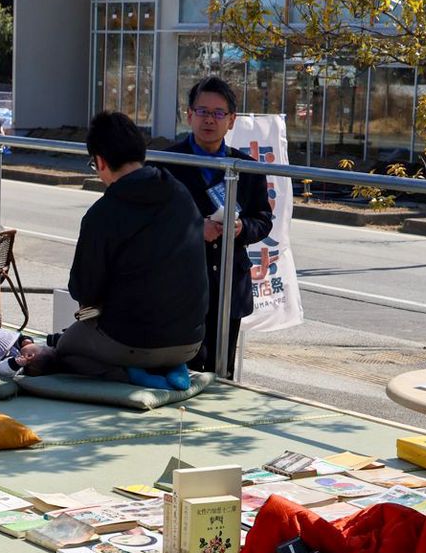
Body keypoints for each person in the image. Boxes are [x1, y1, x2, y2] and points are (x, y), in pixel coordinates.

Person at [42, 110, 208, 387]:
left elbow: (84, 291)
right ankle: (173, 367)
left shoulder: (103, 213)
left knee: (64, 349)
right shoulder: (180, 193)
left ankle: (134, 375)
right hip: (191, 341)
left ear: (100, 161)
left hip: (132, 342)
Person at [162, 76, 273, 375]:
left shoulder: (246, 167)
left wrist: (241, 228)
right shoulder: (166, 163)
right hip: (180, 290)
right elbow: (153, 223)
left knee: (220, 374)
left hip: (228, 289)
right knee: (179, 374)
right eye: (202, 111)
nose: (209, 120)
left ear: (231, 120)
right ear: (189, 115)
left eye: (218, 113)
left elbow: (263, 219)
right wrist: (197, 230)